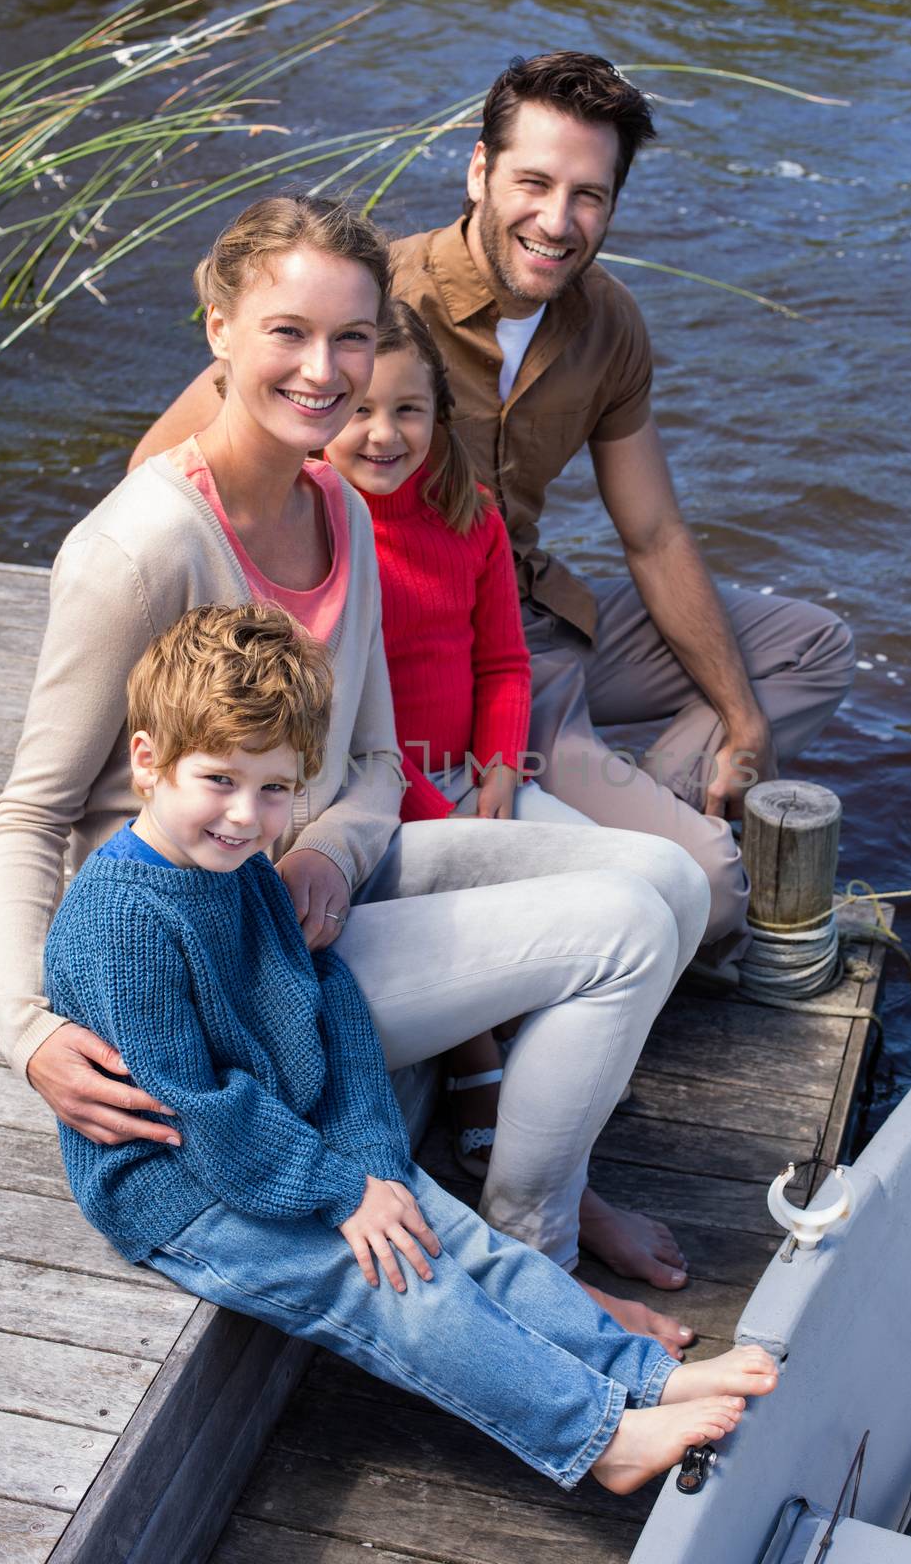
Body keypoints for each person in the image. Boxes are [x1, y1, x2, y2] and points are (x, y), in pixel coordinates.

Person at [0, 193, 714, 1352]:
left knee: (673, 882)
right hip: (218, 968)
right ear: (218, 326)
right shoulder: (138, 550)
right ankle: (538, 1250)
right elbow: (29, 811)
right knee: (626, 924)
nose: (324, 370)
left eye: (351, 336)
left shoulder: (337, 503)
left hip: (322, 893)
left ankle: (534, 1189)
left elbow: (370, 759)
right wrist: (24, 1028)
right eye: (287, 331)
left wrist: (330, 847)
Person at [129, 51, 857, 985]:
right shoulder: (367, 303)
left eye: (589, 195)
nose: (558, 222)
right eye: (534, 182)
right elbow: (160, 466)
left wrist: (741, 719)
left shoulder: (609, 323)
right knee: (712, 892)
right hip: (409, 658)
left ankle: (635, 785)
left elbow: (653, 534)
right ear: (478, 171)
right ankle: (596, 803)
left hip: (526, 623)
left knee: (810, 647)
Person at [44, 601, 779, 1492]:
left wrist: (369, 1158)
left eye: (274, 789)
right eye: (219, 781)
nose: (245, 817)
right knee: (393, 1285)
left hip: (286, 1136)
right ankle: (599, 1437)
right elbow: (194, 1109)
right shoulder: (123, 917)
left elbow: (329, 1006)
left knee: (452, 1231)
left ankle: (644, 1372)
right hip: (181, 1186)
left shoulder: (240, 875)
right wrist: (340, 1188)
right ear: (148, 760)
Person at [328, 296, 594, 1174]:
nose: (382, 434)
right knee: (454, 896)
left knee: (612, 879)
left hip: (470, 775)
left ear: (441, 413)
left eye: (407, 409)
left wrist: (497, 773)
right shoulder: (324, 523)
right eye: (360, 409)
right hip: (375, 789)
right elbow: (356, 700)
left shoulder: (469, 513)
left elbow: (503, 665)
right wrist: (440, 812)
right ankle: (479, 1062)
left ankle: (556, 1041)